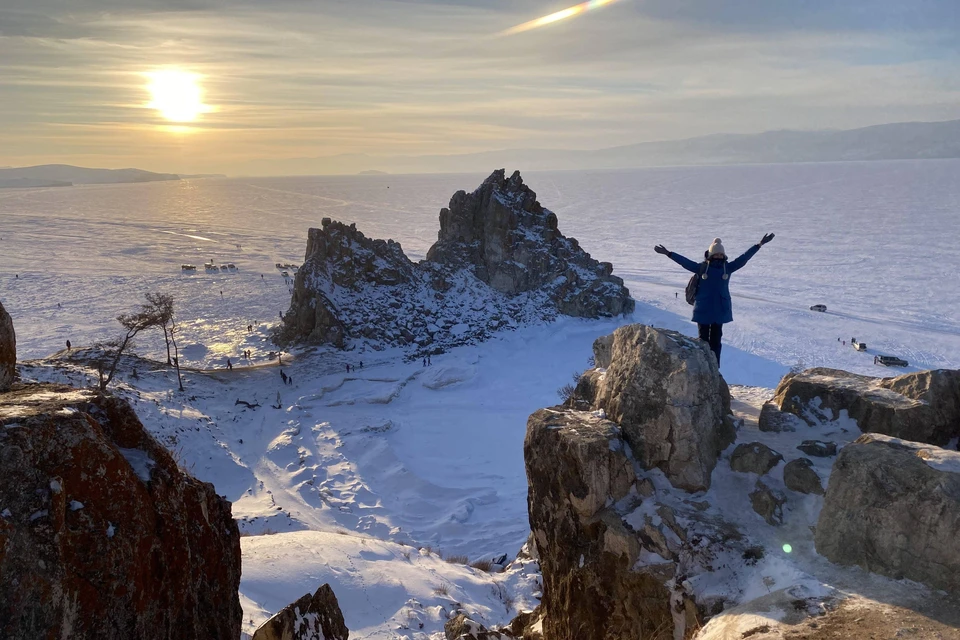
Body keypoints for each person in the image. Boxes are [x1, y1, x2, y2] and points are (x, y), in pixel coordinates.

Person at [654, 234, 775, 366]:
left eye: (720, 254)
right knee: (703, 341)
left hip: (719, 310)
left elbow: (744, 258)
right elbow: (686, 262)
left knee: (716, 341)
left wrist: (759, 245)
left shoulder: (727, 268)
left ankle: (714, 368)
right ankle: (703, 366)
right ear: (710, 255)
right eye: (716, 254)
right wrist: (669, 254)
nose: (718, 256)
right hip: (703, 309)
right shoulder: (702, 268)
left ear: (724, 255)